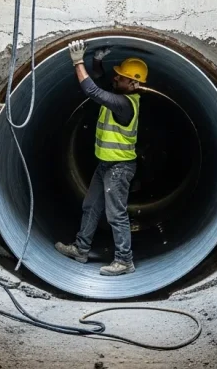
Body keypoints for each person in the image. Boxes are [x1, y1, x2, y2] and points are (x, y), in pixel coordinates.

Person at [54, 40, 148, 276]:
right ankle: (81, 249)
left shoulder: (124, 103)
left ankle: (124, 260)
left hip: (119, 168)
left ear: (133, 83)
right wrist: (96, 61)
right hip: (106, 165)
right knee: (91, 207)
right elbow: (100, 80)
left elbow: (92, 90)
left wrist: (78, 61)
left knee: (116, 214)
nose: (116, 78)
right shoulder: (119, 93)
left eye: (121, 77)